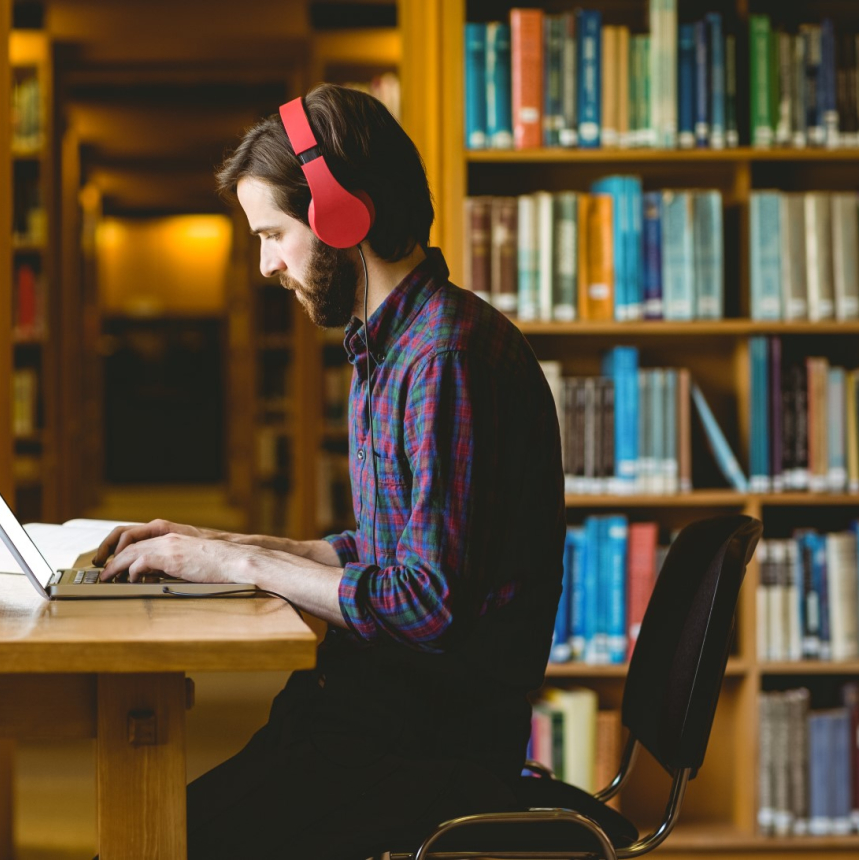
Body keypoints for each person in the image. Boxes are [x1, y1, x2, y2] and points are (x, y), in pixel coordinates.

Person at [91, 83, 567, 859]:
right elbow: (382, 550)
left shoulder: (444, 354)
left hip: (429, 737)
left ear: (342, 214)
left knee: (165, 837)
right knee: (161, 824)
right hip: (376, 706)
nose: (265, 264)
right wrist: (203, 544)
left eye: (274, 233)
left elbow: (428, 605)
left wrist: (236, 561)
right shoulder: (390, 346)